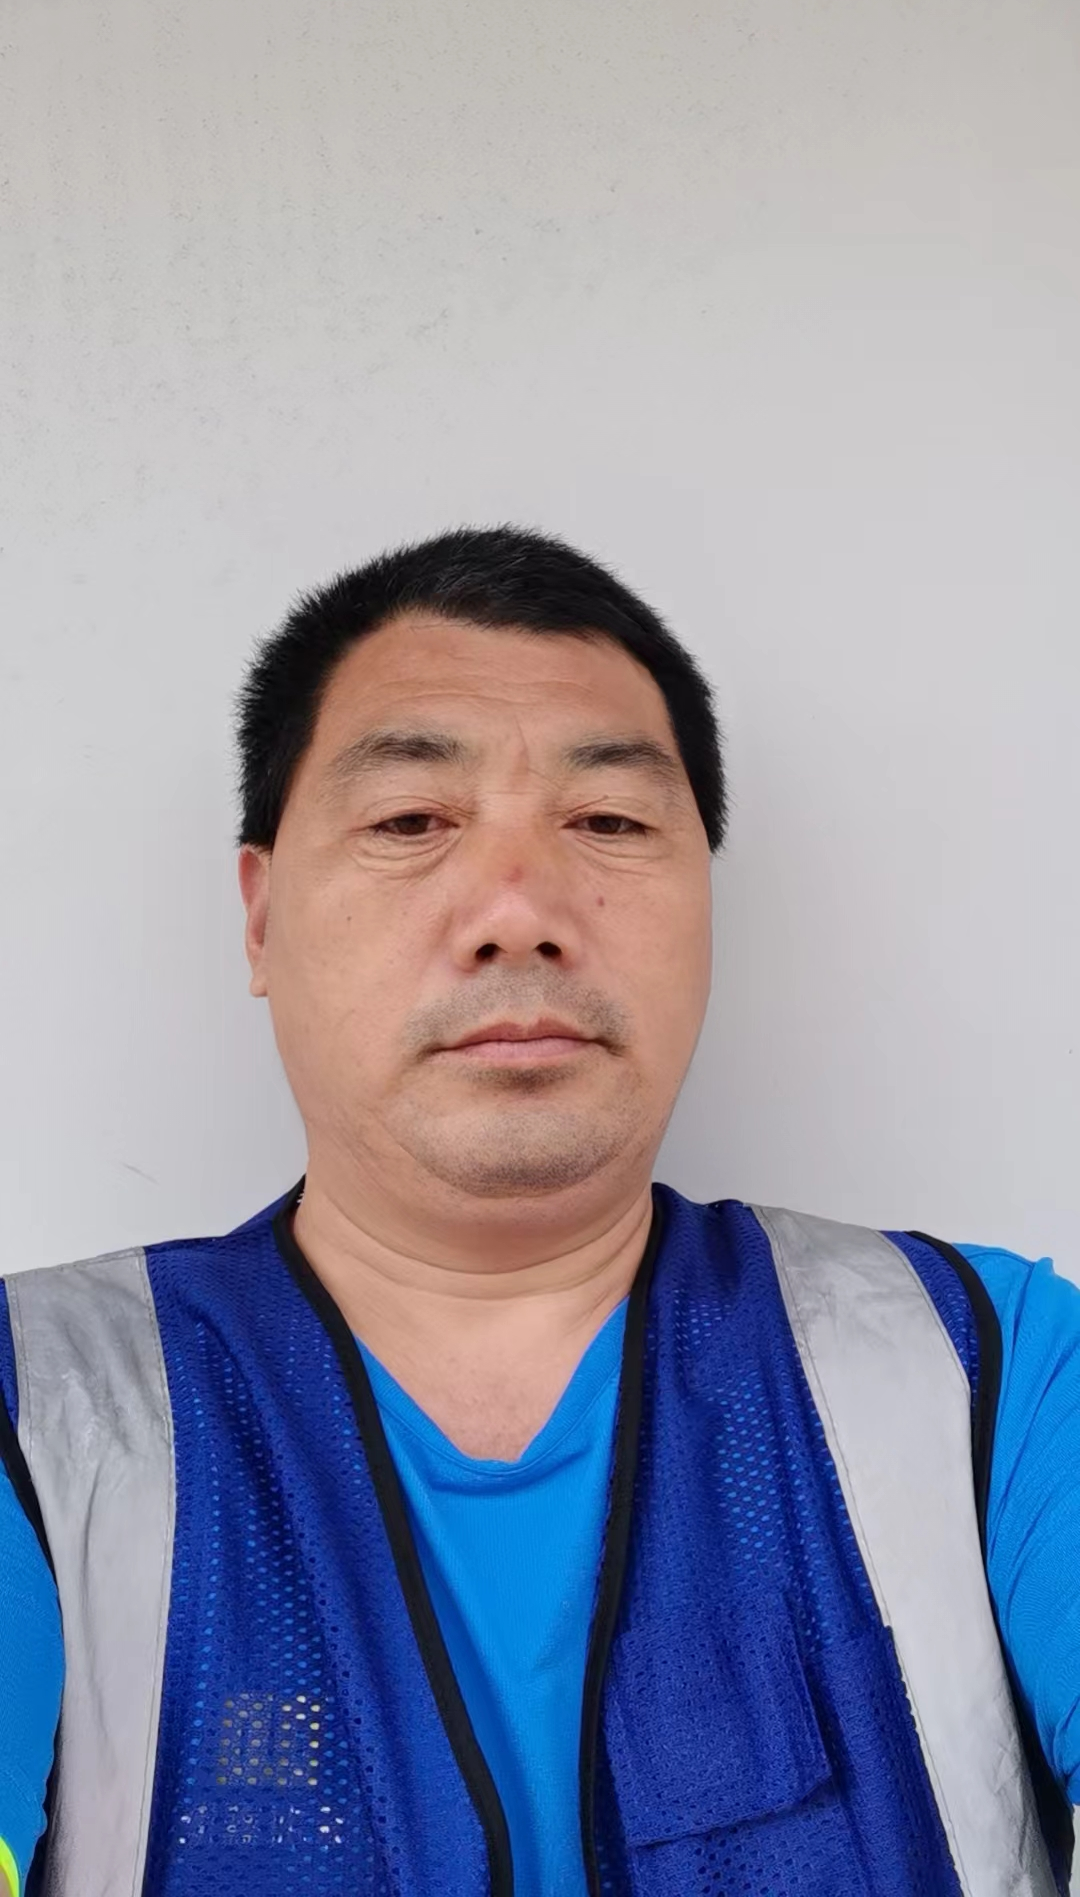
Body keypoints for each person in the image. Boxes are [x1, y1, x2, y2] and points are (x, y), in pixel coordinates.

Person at [0, 526, 1077, 1897]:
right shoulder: (38, 1407)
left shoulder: (988, 1368)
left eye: (609, 822)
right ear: (261, 919)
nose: (518, 913)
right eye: (410, 822)